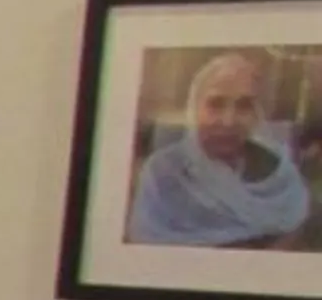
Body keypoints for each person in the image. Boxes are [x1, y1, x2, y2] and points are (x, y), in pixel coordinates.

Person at [130, 49, 312, 248]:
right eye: (215, 104)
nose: (228, 121)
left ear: (256, 115)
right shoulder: (162, 172)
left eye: (244, 106)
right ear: (195, 109)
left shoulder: (279, 174)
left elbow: (294, 228)